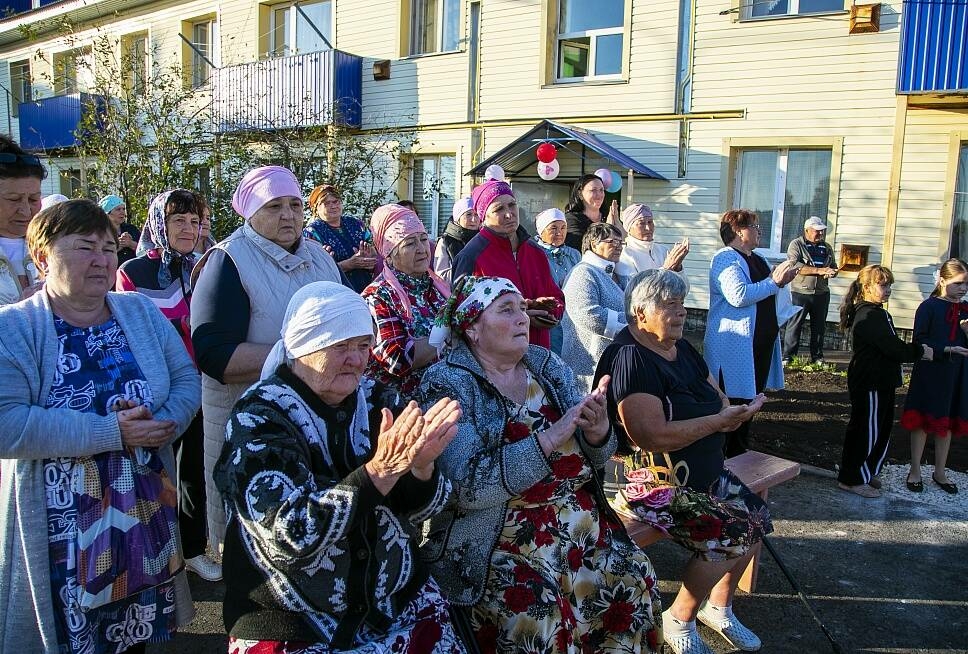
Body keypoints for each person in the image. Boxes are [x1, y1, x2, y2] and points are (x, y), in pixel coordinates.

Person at [214, 281, 468, 653]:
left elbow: (427, 507)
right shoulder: (259, 418)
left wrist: (422, 469)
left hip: (394, 603)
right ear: (302, 348)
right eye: (340, 346)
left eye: (364, 345)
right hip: (293, 619)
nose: (356, 359)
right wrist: (379, 472)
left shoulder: (378, 397)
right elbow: (290, 533)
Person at [0, 199, 200, 652]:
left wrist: (164, 422)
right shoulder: (13, 328)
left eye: (109, 249)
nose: (102, 260)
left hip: (143, 513)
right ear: (41, 256)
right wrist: (112, 433)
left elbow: (186, 379)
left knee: (133, 639)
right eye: (84, 247)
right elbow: (6, 424)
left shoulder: (139, 312)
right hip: (62, 532)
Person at [421, 275, 661, 653]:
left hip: (579, 524)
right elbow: (466, 487)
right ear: (472, 328)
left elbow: (596, 455)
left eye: (522, 308)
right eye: (506, 310)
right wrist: (549, 438)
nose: (523, 318)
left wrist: (598, 432)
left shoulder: (544, 363)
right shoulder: (447, 383)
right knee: (536, 615)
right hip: (499, 538)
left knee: (634, 577)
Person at [595, 269, 773, 654]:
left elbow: (716, 395)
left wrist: (734, 413)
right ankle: (678, 619)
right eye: (669, 305)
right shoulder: (631, 357)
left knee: (757, 515)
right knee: (730, 532)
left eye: (682, 303)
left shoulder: (682, 348)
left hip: (699, 473)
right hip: (646, 480)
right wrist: (718, 422)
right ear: (640, 313)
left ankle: (719, 609)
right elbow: (649, 435)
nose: (680, 312)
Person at [190, 166, 343, 551]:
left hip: (316, 416)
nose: (288, 215)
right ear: (250, 213)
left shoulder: (319, 258)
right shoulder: (227, 261)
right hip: (248, 423)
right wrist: (301, 359)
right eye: (274, 206)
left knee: (313, 536)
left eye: (294, 204)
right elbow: (215, 356)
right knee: (257, 543)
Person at [117, 189, 222, 581]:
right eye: (179, 220)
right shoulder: (133, 271)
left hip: (201, 383)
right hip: (156, 387)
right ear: (159, 223)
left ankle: (193, 549)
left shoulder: (206, 266)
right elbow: (132, 332)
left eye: (194, 222)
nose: (188, 229)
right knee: (152, 470)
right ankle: (156, 550)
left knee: (194, 468)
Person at [704, 209, 798, 457]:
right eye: (755, 227)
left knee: (751, 402)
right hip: (734, 346)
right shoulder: (725, 258)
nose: (759, 232)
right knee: (733, 405)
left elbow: (768, 290)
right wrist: (774, 282)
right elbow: (739, 295)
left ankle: (739, 458)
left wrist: (782, 280)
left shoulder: (757, 258)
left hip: (759, 345)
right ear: (737, 230)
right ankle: (723, 461)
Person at [837, 264, 934, 498]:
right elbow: (892, 348)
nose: (888, 289)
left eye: (889, 284)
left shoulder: (877, 312)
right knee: (866, 430)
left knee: (879, 428)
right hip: (870, 381)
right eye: (882, 285)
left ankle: (865, 471)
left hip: (881, 381)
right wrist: (919, 351)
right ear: (866, 287)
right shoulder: (869, 315)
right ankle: (851, 479)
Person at [452, 180, 564, 350]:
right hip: (494, 362)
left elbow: (556, 297)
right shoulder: (471, 256)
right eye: (499, 209)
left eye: (512, 205)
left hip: (538, 355)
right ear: (483, 216)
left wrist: (549, 311)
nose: (509, 214)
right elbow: (462, 317)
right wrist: (522, 314)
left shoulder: (535, 251)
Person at [362, 204, 450, 403]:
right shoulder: (378, 296)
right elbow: (398, 359)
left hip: (447, 401)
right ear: (390, 256)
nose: (421, 249)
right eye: (410, 243)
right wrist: (449, 332)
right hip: (402, 408)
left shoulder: (438, 288)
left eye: (423, 239)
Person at [900, 258, 968, 494]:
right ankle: (915, 469)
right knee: (922, 420)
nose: (963, 289)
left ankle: (940, 471)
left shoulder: (966, 310)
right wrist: (946, 349)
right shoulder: (928, 307)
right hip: (931, 371)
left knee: (947, 420)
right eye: (958, 283)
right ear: (942, 281)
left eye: (966, 284)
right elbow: (920, 341)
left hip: (956, 373)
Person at [561, 222, 628, 392]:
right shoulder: (583, 272)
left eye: (621, 243)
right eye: (612, 242)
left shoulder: (619, 274)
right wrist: (631, 324)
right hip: (588, 363)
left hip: (613, 359)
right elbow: (588, 315)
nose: (619, 247)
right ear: (593, 244)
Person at [782, 216, 838, 364]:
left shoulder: (826, 247)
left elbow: (832, 265)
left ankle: (817, 357)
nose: (820, 234)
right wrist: (820, 271)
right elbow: (795, 266)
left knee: (819, 327)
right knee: (795, 325)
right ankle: (788, 356)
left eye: (822, 231)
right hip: (800, 291)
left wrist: (832, 271)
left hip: (821, 293)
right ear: (807, 230)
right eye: (817, 231)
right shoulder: (796, 245)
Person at [303, 183, 378, 292]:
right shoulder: (312, 233)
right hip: (336, 292)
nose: (333, 206)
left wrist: (369, 260)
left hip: (366, 288)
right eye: (326, 203)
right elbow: (313, 272)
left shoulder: (356, 224)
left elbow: (375, 255)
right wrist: (349, 264)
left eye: (335, 201)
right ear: (316, 209)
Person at [0, 135, 44, 305]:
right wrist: (20, 310)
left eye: (33, 199)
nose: (26, 210)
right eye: (13, 199)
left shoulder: (55, 246)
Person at [531, 207, 581, 354]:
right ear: (541, 231)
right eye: (553, 228)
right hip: (548, 315)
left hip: (572, 315)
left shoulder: (574, 254)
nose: (559, 233)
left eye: (563, 227)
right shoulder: (534, 253)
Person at [618, 203, 689, 276]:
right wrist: (667, 269)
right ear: (629, 228)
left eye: (650, 222)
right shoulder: (623, 254)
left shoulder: (663, 251)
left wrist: (678, 268)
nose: (648, 228)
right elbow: (636, 286)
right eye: (641, 223)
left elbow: (685, 286)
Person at [563, 174, 619, 251]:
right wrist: (608, 229)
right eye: (593, 190)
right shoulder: (572, 219)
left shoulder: (608, 216)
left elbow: (625, 241)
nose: (599, 195)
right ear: (580, 194)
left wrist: (617, 221)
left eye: (601, 190)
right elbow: (582, 247)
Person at [433, 197, 479, 281]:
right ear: (458, 218)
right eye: (468, 214)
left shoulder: (482, 240)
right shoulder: (446, 241)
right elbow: (441, 276)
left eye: (476, 215)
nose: (474, 219)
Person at [99, 194, 141, 266]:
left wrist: (131, 244)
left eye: (123, 209)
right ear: (107, 213)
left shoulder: (131, 229)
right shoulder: (99, 232)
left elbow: (146, 251)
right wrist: (116, 247)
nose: (122, 212)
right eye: (118, 209)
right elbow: (96, 255)